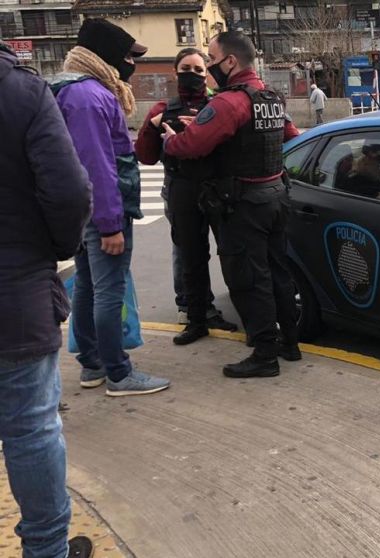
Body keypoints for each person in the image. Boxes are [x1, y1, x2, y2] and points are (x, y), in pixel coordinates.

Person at [1, 39, 95, 558]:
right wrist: (56, 250)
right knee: (31, 429)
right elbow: (68, 193)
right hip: (12, 295)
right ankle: (45, 550)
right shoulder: (21, 92)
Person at [161, 31, 301, 378]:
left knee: (249, 279)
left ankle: (265, 353)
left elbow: (191, 146)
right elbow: (292, 136)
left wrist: (171, 139)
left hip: (245, 205)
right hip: (276, 195)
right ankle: (290, 343)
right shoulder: (270, 97)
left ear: (230, 62)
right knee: (278, 272)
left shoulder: (228, 102)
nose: (208, 67)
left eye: (210, 59)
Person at [51, 18, 172, 395]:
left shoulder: (73, 90)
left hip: (83, 211)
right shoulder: (89, 97)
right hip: (102, 212)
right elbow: (98, 167)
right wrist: (110, 225)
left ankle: (93, 365)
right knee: (109, 290)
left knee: (87, 285)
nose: (130, 63)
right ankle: (118, 373)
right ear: (104, 54)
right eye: (126, 55)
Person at [135, 47, 237, 346]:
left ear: (207, 73)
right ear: (175, 72)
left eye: (198, 70)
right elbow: (145, 156)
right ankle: (196, 318)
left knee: (229, 253)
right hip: (181, 189)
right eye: (186, 69)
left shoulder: (218, 106)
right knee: (191, 258)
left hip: (216, 190)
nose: (192, 75)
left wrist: (201, 132)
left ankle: (230, 310)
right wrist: (154, 128)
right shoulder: (162, 109)